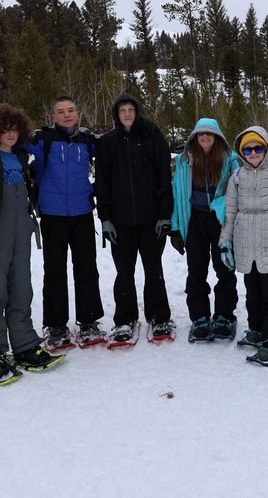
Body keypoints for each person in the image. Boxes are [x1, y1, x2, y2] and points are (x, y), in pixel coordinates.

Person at [0, 96, 105, 350]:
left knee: (86, 267)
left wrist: (98, 189)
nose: (66, 115)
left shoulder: (87, 141)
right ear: (52, 116)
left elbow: (114, 152)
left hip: (82, 212)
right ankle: (56, 326)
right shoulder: (42, 139)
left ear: (77, 113)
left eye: (71, 110)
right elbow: (6, 137)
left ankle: (89, 322)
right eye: (60, 111)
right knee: (54, 271)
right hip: (52, 215)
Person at [0, 104, 65, 386]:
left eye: (14, 129)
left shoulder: (19, 157)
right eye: (5, 130)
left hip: (21, 234)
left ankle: (24, 344)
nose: (10, 134)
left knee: (21, 289)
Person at [94, 93, 175, 345]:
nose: (127, 113)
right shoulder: (108, 142)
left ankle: (159, 316)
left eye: (131, 109)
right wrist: (105, 218)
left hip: (151, 220)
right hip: (120, 222)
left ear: (137, 111)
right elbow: (102, 183)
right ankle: (125, 319)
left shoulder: (152, 135)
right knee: (124, 272)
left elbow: (164, 178)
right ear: (116, 115)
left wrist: (164, 215)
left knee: (154, 270)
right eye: (122, 110)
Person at [219, 126, 268, 366]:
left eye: (257, 148)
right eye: (247, 149)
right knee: (253, 293)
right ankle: (257, 329)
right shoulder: (237, 177)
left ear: (266, 149)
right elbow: (230, 212)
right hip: (246, 242)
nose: (252, 153)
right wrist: (225, 242)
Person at [170, 118, 240, 342]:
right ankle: (199, 317)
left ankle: (224, 316)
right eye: (201, 134)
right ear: (195, 138)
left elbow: (238, 190)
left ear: (217, 137)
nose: (205, 137)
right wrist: (175, 228)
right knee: (196, 270)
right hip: (194, 219)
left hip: (220, 220)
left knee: (224, 268)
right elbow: (177, 195)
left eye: (210, 133)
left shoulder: (230, 161)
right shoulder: (184, 162)